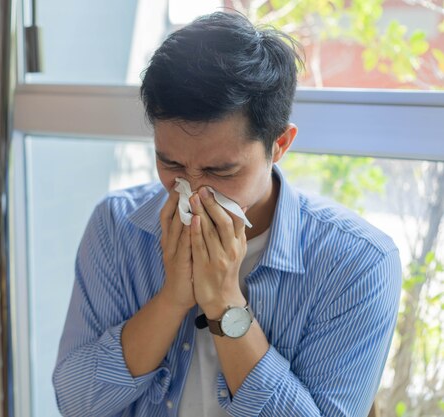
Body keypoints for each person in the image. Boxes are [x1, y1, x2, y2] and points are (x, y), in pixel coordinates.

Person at [53, 11, 401, 417]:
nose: (194, 190)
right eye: (172, 165)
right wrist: (171, 300)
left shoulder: (358, 263)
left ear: (279, 145)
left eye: (221, 171)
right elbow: (77, 403)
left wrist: (223, 301)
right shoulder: (118, 226)